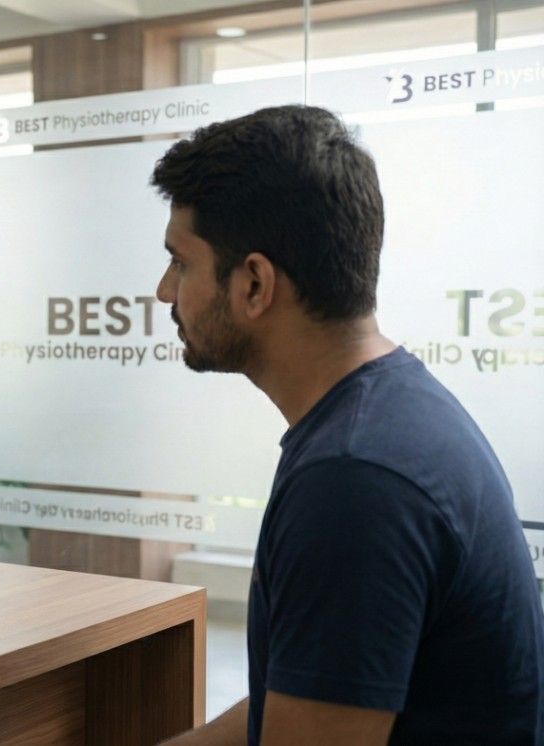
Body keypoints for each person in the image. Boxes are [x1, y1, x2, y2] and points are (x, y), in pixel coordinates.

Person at [151, 105, 543, 744]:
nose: (166, 291)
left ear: (254, 284)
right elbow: (308, 694)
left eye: (181, 262)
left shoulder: (355, 479)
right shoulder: (386, 416)